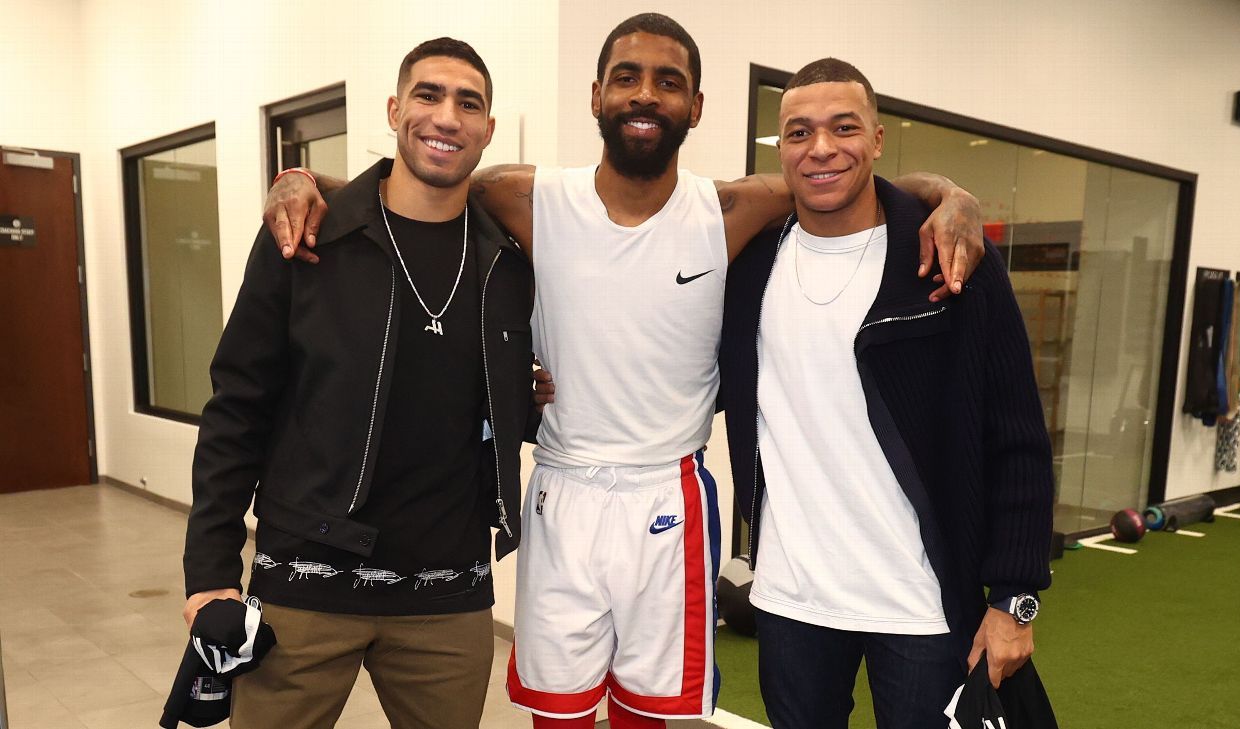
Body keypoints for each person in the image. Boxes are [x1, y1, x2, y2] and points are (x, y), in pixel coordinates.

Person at [262, 15, 987, 727]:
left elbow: (850, 176)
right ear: (596, 95)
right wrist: (301, 176)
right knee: (562, 712)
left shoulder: (732, 208)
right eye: (627, 78)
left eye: (668, 83)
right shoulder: (527, 196)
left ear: (695, 106)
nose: (646, 95)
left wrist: (953, 194)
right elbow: (413, 184)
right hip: (564, 490)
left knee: (646, 712)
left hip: (668, 497)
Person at [182, 38, 536, 729]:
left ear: (488, 129)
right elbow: (236, 409)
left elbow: (492, 404)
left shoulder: (507, 264)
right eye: (429, 95)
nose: (447, 117)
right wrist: (209, 569)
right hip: (305, 584)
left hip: (449, 596)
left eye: (469, 103)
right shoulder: (308, 238)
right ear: (394, 108)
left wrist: (531, 397)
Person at [718, 58, 1055, 729]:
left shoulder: (949, 262)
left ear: (876, 139)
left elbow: (1017, 437)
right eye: (798, 132)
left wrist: (1016, 597)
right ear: (779, 147)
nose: (821, 148)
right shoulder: (749, 263)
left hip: (922, 608)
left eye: (844, 128)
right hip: (792, 601)